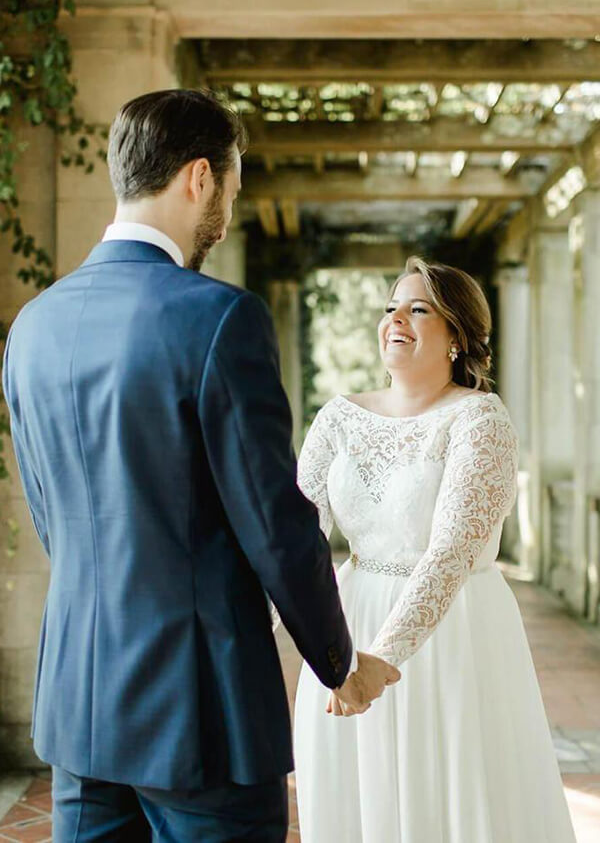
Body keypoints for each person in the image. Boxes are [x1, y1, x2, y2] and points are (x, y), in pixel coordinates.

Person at [2, 88, 399, 843]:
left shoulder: (34, 326)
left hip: (79, 704)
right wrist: (337, 659)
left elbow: (54, 517)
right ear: (198, 178)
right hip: (200, 713)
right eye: (232, 185)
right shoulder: (220, 319)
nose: (229, 209)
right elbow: (275, 525)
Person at [294, 257, 576, 843]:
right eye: (391, 307)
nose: (396, 318)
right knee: (355, 799)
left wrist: (381, 661)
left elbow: (450, 553)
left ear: (457, 336)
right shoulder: (337, 419)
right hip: (345, 629)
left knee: (446, 799)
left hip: (450, 638)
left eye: (418, 308)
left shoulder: (479, 419)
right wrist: (253, 627)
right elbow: (294, 539)